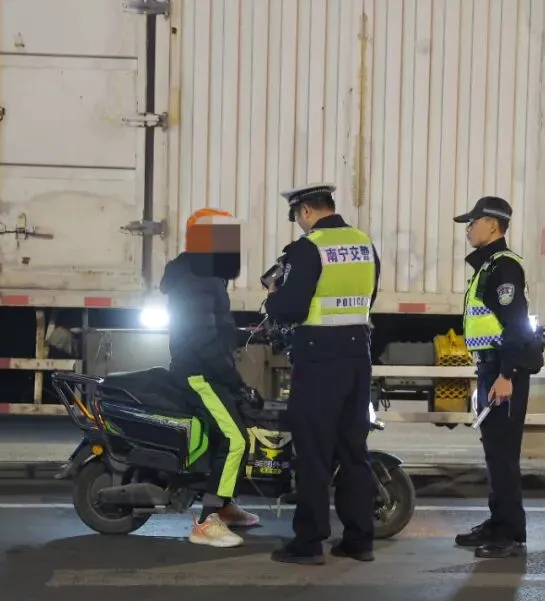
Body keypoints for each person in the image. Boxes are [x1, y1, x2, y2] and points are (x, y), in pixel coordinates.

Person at [264, 183, 381, 565]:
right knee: (353, 451)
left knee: (313, 453)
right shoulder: (363, 243)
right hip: (357, 355)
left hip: (318, 359)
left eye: (297, 216)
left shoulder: (308, 248)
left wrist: (274, 295)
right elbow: (369, 296)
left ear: (306, 211)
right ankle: (359, 540)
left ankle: (309, 542)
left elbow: (291, 308)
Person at [159, 207, 261, 548]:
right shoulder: (199, 277)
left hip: (203, 368)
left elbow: (214, 325)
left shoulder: (202, 273)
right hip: (200, 373)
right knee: (235, 439)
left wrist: (246, 335)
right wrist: (233, 379)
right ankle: (207, 522)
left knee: (229, 434)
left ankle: (226, 507)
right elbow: (203, 337)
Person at [452, 196, 544, 559]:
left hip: (504, 369)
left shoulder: (504, 267)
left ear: (492, 225)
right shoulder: (489, 265)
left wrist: (506, 375)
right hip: (491, 367)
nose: (468, 229)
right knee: (494, 451)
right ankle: (497, 522)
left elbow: (516, 326)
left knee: (503, 455)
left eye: (472, 222)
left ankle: (510, 533)